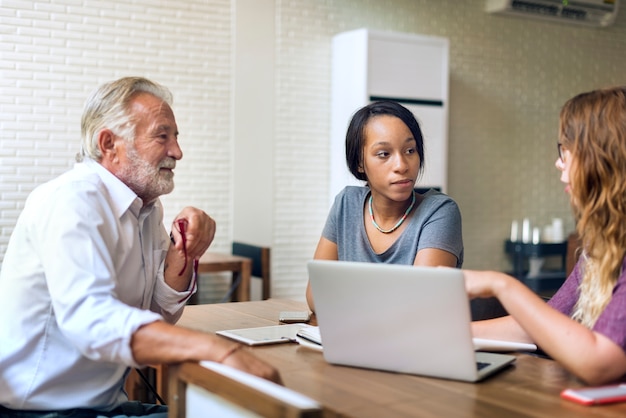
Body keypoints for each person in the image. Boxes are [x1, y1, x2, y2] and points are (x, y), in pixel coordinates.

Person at [0, 77, 280, 417]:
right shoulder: (71, 201)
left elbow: (155, 315)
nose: (177, 151)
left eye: (176, 137)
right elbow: (92, 322)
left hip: (103, 405)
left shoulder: (146, 209)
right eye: (162, 136)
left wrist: (184, 252)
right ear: (109, 143)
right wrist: (220, 351)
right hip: (43, 411)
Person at [465, 86, 626, 385]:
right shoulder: (601, 245)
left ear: (601, 158)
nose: (559, 162)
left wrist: (502, 285)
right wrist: (446, 334)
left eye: (566, 150)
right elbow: (542, 324)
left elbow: (601, 363)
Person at [306, 101, 463, 312]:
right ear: (360, 163)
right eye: (384, 154)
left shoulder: (440, 212)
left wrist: (346, 299)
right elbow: (316, 295)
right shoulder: (346, 204)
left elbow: (419, 305)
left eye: (410, 150)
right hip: (353, 337)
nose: (402, 165)